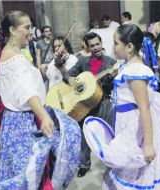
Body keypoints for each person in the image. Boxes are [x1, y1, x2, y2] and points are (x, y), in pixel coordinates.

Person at [83, 24, 160, 189]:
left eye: (116, 43)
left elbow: (144, 108)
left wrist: (149, 144)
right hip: (127, 126)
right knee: (129, 169)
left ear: (129, 46)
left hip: (136, 129)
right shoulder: (128, 66)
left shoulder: (136, 71)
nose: (112, 47)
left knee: (139, 173)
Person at [0, 11, 81, 189]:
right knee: (30, 174)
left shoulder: (10, 52)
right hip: (23, 122)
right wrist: (43, 114)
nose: (31, 31)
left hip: (13, 120)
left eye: (31, 27)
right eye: (26, 27)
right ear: (12, 29)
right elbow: (25, 91)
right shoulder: (15, 58)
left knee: (27, 173)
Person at [62, 32, 116, 178]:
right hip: (85, 105)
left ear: (101, 44)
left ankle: (112, 165)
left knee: (108, 135)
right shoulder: (82, 61)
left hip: (103, 102)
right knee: (84, 135)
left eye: (97, 44)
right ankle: (84, 164)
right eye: (92, 46)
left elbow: (113, 85)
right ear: (88, 47)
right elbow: (67, 75)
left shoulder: (110, 62)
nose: (96, 48)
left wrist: (111, 77)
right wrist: (71, 79)